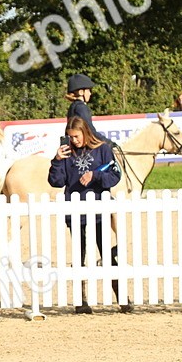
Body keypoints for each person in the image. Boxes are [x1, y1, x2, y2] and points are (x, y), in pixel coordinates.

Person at [48, 117, 132, 315]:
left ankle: (122, 299)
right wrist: (57, 161)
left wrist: (95, 176)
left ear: (85, 132)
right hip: (77, 214)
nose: (73, 140)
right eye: (70, 137)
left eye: (76, 136)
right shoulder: (67, 153)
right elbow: (56, 181)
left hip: (100, 212)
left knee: (107, 256)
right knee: (79, 258)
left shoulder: (102, 149)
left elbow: (115, 174)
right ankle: (81, 301)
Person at [64, 73, 104, 139]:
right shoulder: (81, 107)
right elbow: (90, 130)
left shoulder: (73, 106)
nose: (90, 93)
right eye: (88, 90)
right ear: (81, 92)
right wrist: (108, 143)